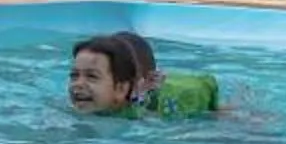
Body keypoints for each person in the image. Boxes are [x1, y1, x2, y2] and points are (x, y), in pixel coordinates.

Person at [65, 30, 219, 118]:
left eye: (92, 76)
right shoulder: (86, 102)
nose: (78, 83)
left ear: (121, 88)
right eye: (74, 75)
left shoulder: (159, 108)